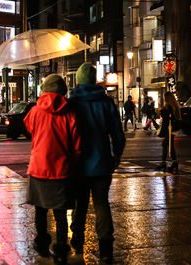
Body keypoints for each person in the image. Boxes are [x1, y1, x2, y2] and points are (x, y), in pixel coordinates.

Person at [68, 63, 126, 262]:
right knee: (101, 203)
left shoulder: (72, 102)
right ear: (94, 80)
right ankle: (106, 248)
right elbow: (118, 134)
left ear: (78, 80)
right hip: (101, 162)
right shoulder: (106, 102)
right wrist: (116, 155)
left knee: (80, 204)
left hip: (78, 163)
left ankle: (77, 240)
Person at [24, 74, 81, 265]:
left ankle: (41, 244)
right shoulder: (69, 111)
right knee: (60, 213)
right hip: (61, 170)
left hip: (38, 168)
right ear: (63, 90)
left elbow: (29, 127)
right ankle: (60, 250)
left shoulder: (34, 111)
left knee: (40, 210)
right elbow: (77, 144)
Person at [157, 92, 181, 173]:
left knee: (165, 144)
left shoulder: (169, 107)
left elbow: (166, 117)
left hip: (169, 129)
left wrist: (161, 111)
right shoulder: (175, 107)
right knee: (170, 145)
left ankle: (164, 162)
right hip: (173, 129)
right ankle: (174, 162)